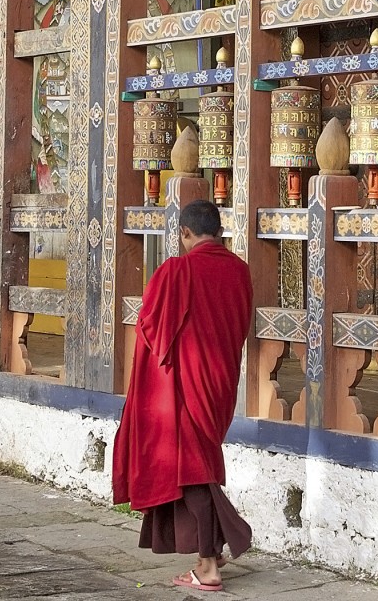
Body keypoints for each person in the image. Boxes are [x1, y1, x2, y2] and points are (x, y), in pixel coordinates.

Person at [111, 199, 254, 592]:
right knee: (199, 465)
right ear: (219, 232)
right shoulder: (240, 271)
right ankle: (215, 545)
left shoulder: (177, 270)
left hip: (185, 384)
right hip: (220, 384)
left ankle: (209, 567)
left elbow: (152, 328)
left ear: (185, 234)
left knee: (192, 469)